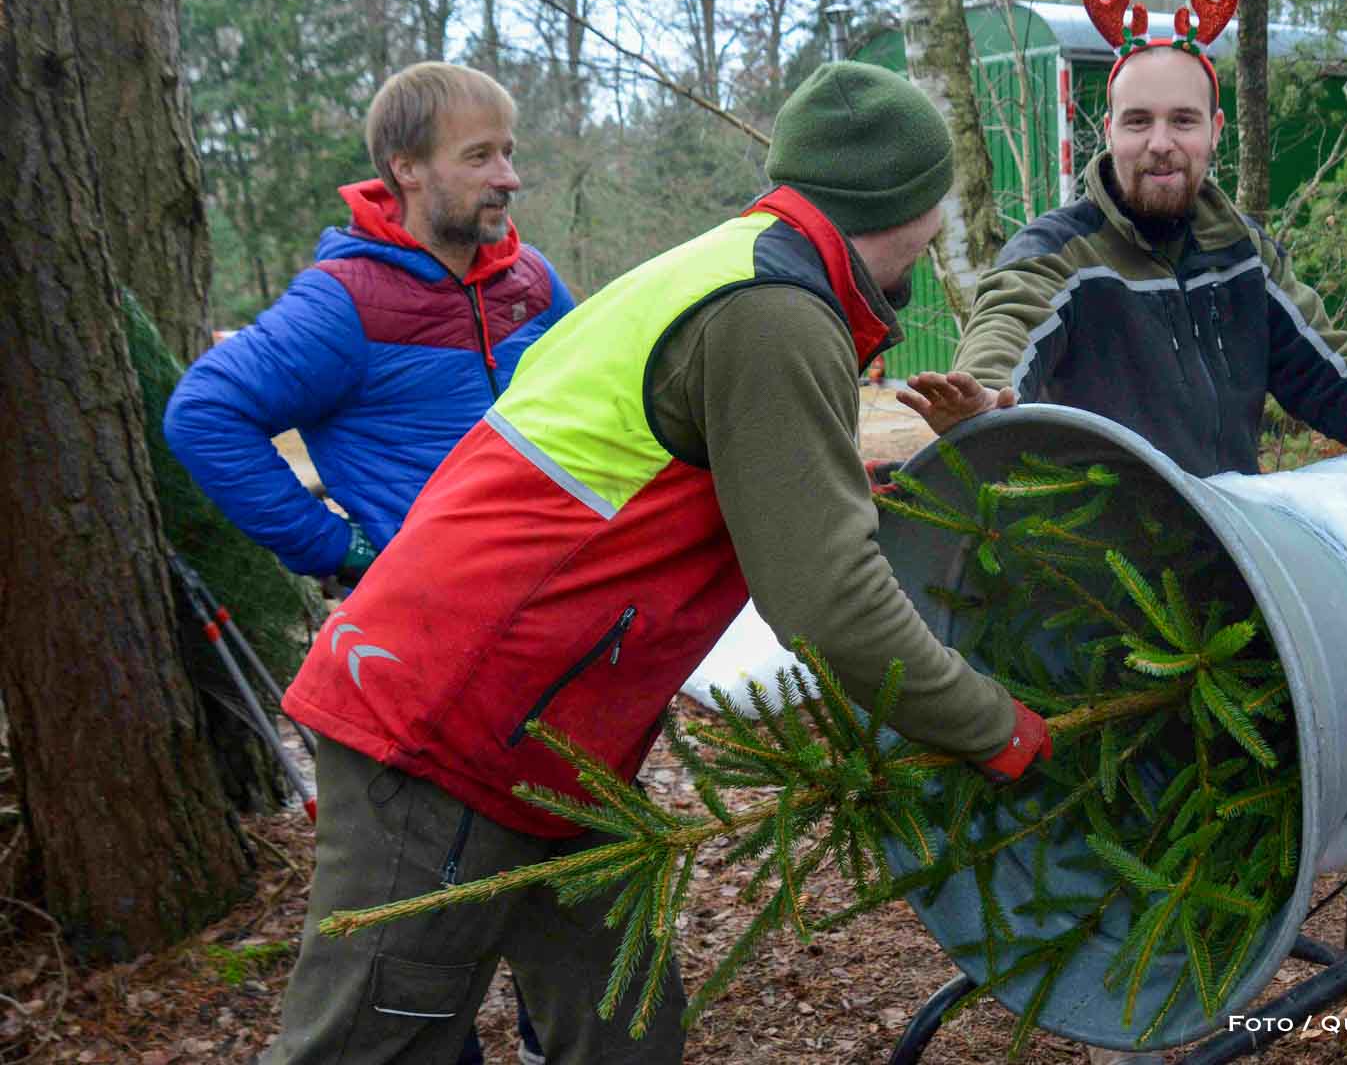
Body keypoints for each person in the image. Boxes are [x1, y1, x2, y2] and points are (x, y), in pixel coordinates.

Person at [260, 61, 1052, 1065]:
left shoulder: (737, 269)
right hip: (447, 728)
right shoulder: (773, 310)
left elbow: (770, 491)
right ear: (914, 202)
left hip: (560, 745)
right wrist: (990, 726)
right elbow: (828, 596)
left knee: (624, 1029)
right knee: (369, 1046)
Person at [165, 61, 567, 1065]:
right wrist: (339, 549)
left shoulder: (532, 280)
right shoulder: (344, 300)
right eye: (480, 156)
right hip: (423, 673)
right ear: (406, 170)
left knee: (568, 923)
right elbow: (203, 415)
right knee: (414, 939)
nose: (508, 177)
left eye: (509, 152)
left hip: (555, 662)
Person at [900, 0, 1347, 560]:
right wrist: (982, 400)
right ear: (1108, 129)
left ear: (1215, 132)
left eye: (1183, 121)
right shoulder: (1060, 253)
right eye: (1138, 121)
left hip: (1235, 565)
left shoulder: (1244, 256)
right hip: (1093, 580)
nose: (1160, 142)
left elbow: (1333, 369)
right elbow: (1009, 326)